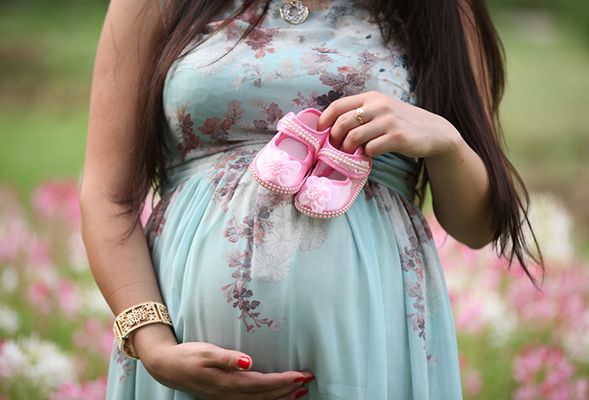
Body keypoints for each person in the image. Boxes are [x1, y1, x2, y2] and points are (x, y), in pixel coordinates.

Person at [80, 0, 542, 399]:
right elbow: (109, 197)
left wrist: (445, 141)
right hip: (180, 360)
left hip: (369, 354)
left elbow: (477, 227)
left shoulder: (439, 10)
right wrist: (152, 345)